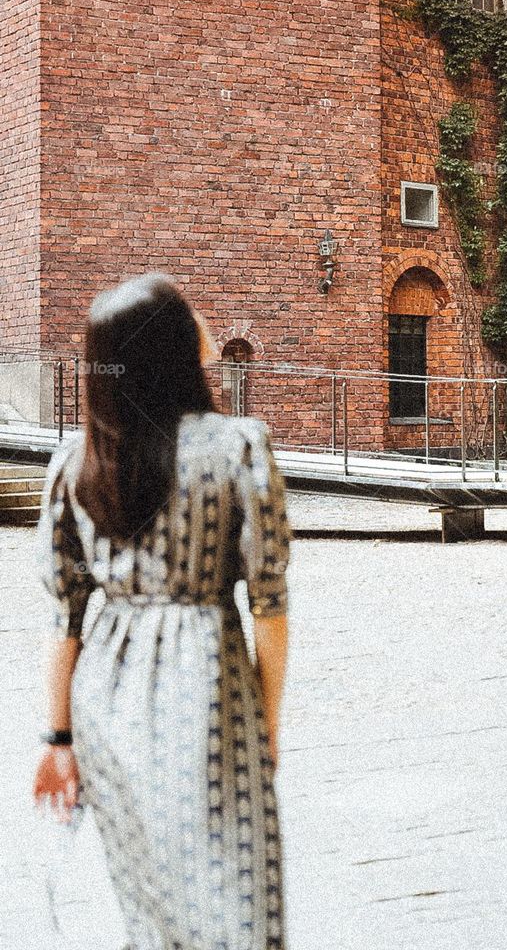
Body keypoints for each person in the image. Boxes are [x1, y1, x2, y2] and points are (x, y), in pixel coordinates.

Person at [32, 273, 292, 950]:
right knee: (238, 902)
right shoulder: (238, 447)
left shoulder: (76, 462)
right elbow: (268, 604)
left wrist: (57, 742)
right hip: (208, 691)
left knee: (150, 914)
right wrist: (264, 728)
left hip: (103, 704)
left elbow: (65, 619)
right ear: (175, 347)